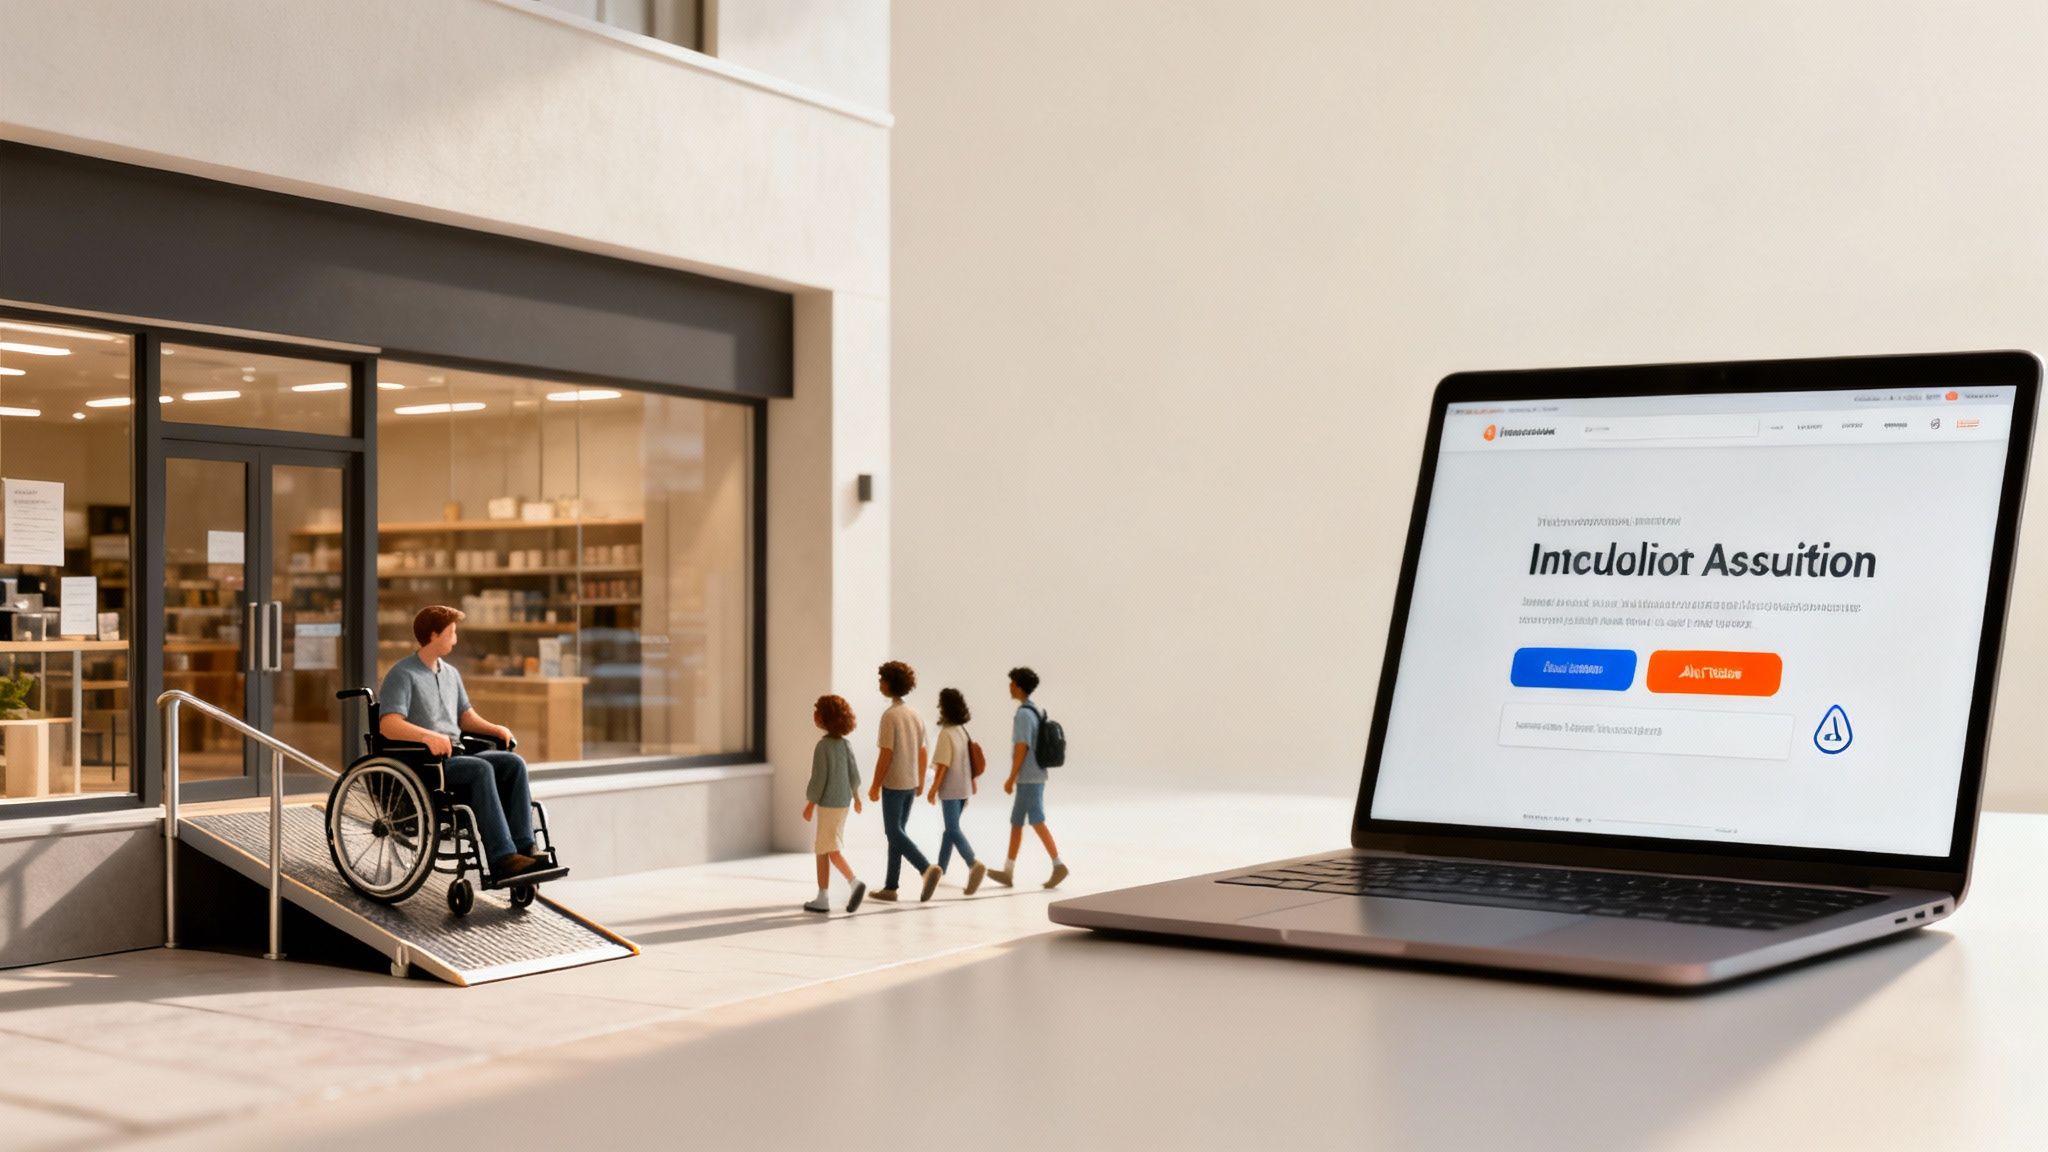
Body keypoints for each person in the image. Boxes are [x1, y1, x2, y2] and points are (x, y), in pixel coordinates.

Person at [378, 605, 547, 880]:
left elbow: (465, 717)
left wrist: (495, 728)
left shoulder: (450, 674)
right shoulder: (402, 674)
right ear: (433, 635)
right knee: (480, 770)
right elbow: (388, 724)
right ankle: (503, 858)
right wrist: (426, 736)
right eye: (451, 633)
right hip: (424, 764)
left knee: (513, 763)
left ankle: (525, 847)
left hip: (456, 755)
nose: (455, 639)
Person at [986, 666, 1068, 889]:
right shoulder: (1036, 710)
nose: (1010, 687)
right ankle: (1008, 870)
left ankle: (1058, 864)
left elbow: (1022, 747)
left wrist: (1011, 777)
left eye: (1012, 683)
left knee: (1037, 820)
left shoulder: (1023, 714)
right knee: (1016, 822)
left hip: (1028, 777)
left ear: (1019, 687)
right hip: (1034, 775)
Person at [868, 661, 943, 902]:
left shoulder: (890, 716)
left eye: (882, 679)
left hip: (894, 783)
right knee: (897, 834)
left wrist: (874, 784)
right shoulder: (915, 714)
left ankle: (925, 868)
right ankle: (891, 887)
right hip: (910, 782)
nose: (879, 683)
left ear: (890, 683)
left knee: (893, 832)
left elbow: (886, 754)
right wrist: (921, 780)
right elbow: (922, 752)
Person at [802, 694, 868, 914]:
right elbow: (854, 774)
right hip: (843, 803)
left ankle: (853, 882)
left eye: (817, 711)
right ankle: (823, 895)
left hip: (828, 804)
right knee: (825, 847)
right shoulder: (845, 745)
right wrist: (857, 797)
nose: (814, 715)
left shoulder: (823, 747)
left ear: (824, 718)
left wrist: (810, 803)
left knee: (829, 849)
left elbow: (819, 778)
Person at [925, 687, 987, 895]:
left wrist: (933, 789)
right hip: (964, 789)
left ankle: (973, 863)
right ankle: (941, 869)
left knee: (952, 829)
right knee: (949, 830)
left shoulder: (946, 733)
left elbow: (943, 765)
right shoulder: (962, 730)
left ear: (944, 707)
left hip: (951, 789)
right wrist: (972, 785)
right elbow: (969, 760)